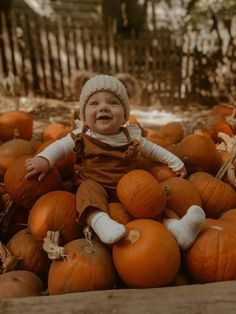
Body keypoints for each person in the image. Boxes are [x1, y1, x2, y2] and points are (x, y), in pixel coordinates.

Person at [25, 74, 205, 249]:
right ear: (84, 115)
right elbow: (60, 147)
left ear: (125, 114)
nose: (103, 107)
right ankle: (100, 222)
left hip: (128, 188)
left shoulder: (130, 136)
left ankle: (176, 228)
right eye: (94, 103)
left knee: (149, 201)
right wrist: (44, 159)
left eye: (112, 102)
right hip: (95, 183)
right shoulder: (82, 136)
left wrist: (174, 161)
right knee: (86, 192)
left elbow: (153, 150)